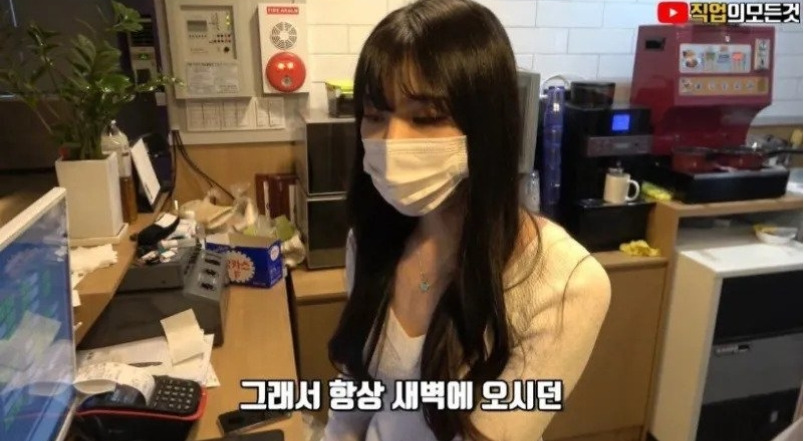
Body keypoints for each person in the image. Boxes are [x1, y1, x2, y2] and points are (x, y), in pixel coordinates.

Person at [325, 1, 611, 440]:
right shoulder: (368, 242)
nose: (392, 141)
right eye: (376, 116)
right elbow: (357, 393)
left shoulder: (565, 281)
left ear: (487, 127)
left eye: (425, 118)